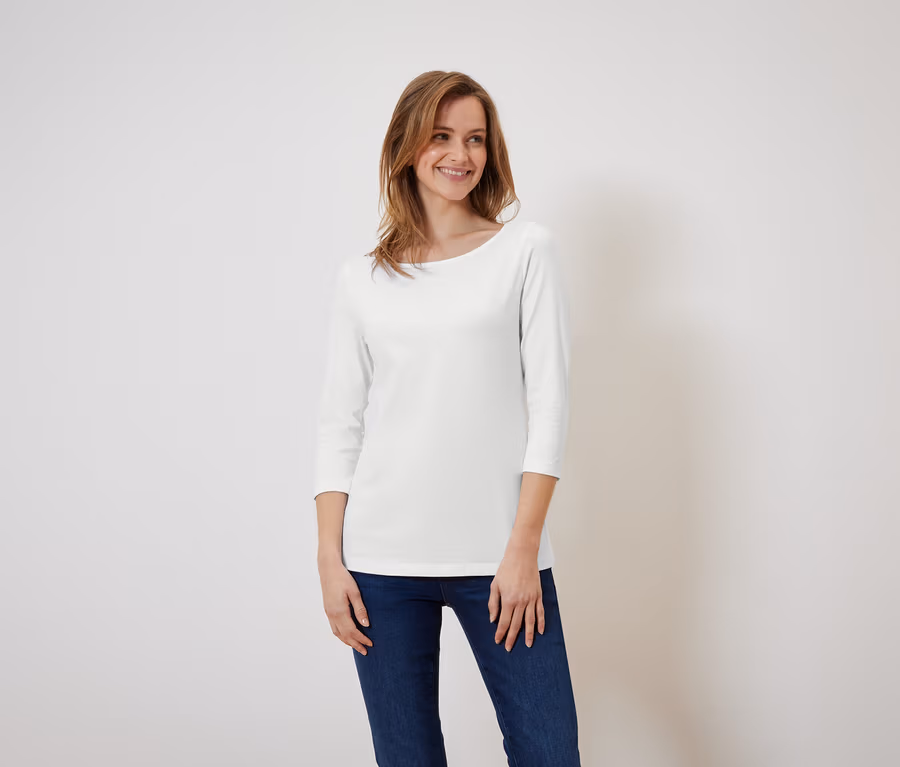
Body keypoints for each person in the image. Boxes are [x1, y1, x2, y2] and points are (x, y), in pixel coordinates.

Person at [313, 70, 581, 766]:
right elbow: (339, 425)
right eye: (441, 136)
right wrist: (329, 560)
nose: (460, 154)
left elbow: (550, 405)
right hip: (379, 562)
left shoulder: (526, 251)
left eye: (475, 139)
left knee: (549, 753)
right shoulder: (362, 278)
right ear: (407, 147)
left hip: (501, 557)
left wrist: (522, 548)